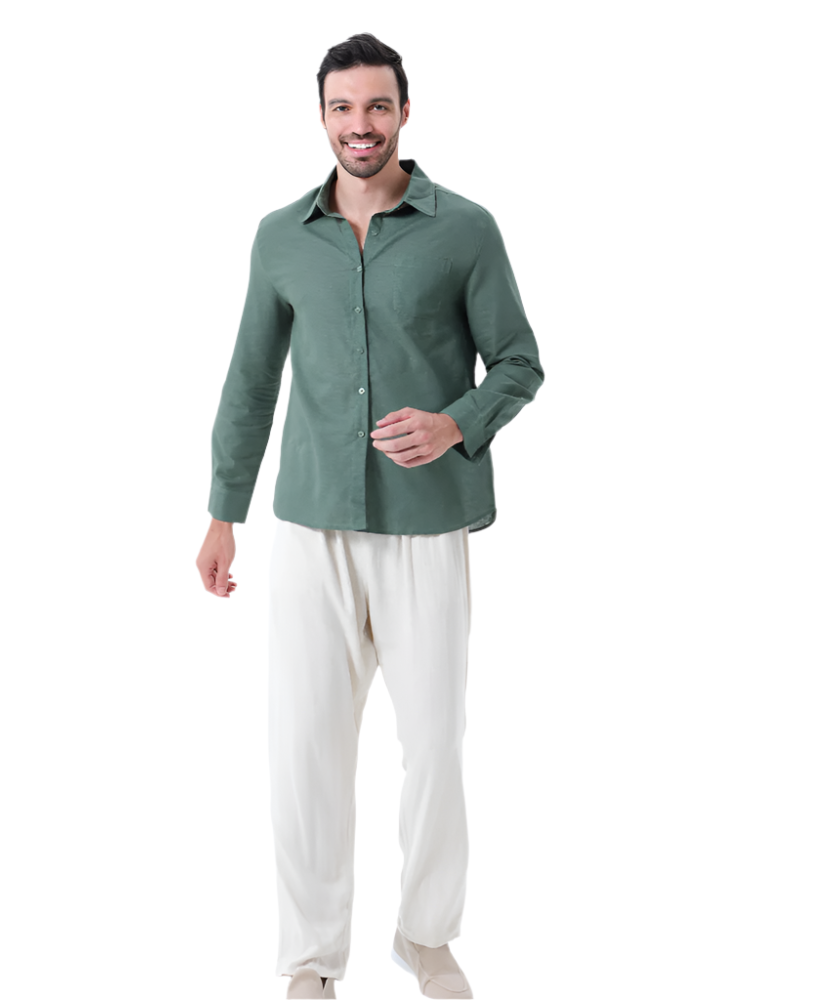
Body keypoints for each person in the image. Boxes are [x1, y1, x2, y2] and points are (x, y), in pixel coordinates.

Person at [195, 32, 544, 1000]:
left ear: (403, 113)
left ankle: (425, 938)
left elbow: (519, 359)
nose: (361, 124)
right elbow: (251, 379)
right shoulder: (280, 236)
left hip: (426, 524)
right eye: (343, 107)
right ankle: (312, 959)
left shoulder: (464, 229)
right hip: (311, 526)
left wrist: (455, 422)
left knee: (432, 746)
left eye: (377, 106)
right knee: (305, 749)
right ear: (321, 117)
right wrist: (223, 512)